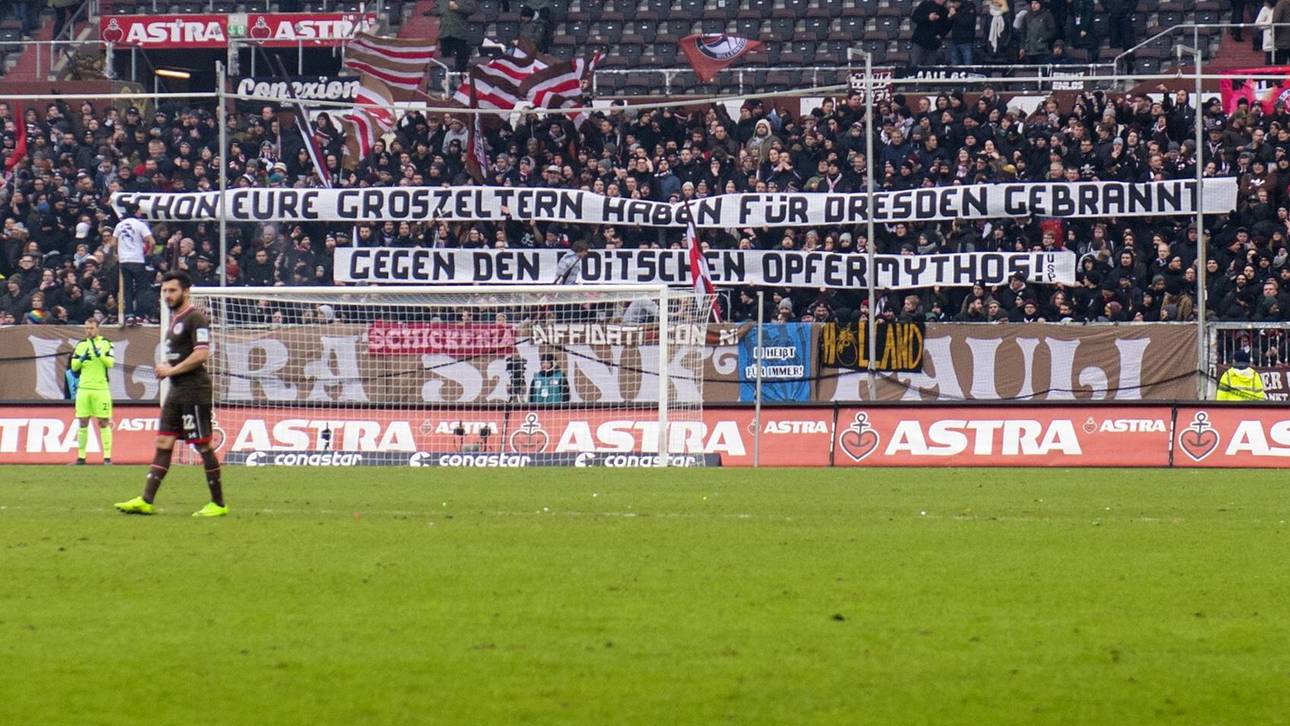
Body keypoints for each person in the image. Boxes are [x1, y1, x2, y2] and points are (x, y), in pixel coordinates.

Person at [115, 271, 227, 517]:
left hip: (194, 389)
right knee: (163, 442)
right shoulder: (175, 317)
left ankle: (218, 504)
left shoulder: (195, 317)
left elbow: (201, 354)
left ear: (186, 291)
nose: (167, 295)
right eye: (164, 291)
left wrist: (171, 370)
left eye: (172, 290)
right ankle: (146, 500)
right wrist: (170, 372)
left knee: (203, 445)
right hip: (177, 388)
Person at [70, 317, 114, 465]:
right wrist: (81, 359)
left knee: (103, 421)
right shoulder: (81, 345)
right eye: (87, 328)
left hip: (101, 389)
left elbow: (111, 363)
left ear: (98, 328)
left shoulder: (106, 343)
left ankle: (107, 457)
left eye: (91, 328)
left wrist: (99, 354)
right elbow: (74, 366)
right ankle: (81, 457)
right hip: (84, 388)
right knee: (82, 421)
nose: (89, 331)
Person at [111, 201, 156, 327]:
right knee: (141, 288)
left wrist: (117, 254)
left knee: (128, 288)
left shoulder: (119, 225)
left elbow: (113, 243)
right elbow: (151, 242)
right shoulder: (140, 225)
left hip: (124, 261)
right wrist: (149, 254)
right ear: (136, 211)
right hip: (137, 259)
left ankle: (129, 315)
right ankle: (139, 315)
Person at [435, 0, 479, 72]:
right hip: (445, 33)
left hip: (460, 33)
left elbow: (471, 10)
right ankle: (448, 78)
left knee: (462, 58)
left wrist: (457, 7)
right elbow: (435, 10)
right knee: (446, 59)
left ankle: (461, 76)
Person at [911, 0, 952, 68]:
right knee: (915, 65)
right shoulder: (926, 4)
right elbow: (915, 17)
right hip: (920, 41)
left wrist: (941, 35)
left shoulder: (945, 11)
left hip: (933, 44)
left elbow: (947, 27)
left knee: (930, 67)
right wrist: (928, 17)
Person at [1019, 0, 1057, 64]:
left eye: (1036, 3)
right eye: (1032, 3)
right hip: (1028, 51)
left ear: (1040, 4)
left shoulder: (1047, 15)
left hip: (1042, 51)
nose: (1033, 5)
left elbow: (1053, 31)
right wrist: (1022, 47)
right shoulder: (1027, 16)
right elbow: (1023, 33)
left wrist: (1043, 38)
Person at [946, 0, 977, 66]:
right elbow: (950, 24)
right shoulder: (955, 9)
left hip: (966, 41)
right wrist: (949, 17)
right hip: (955, 41)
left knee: (968, 65)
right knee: (954, 64)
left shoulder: (969, 7)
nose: (953, 5)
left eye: (954, 3)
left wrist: (955, 15)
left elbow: (967, 22)